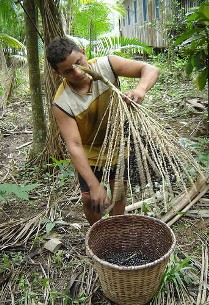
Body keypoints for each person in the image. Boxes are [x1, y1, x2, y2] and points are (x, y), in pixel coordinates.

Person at [46, 37, 159, 225]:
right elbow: (74, 145)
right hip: (89, 152)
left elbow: (150, 69)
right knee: (90, 200)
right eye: (68, 71)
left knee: (118, 193)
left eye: (79, 63)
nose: (77, 71)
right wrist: (94, 185)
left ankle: (116, 229)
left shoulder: (107, 65)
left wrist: (140, 89)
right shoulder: (62, 103)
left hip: (117, 142)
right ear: (57, 73)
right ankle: (98, 232)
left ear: (83, 53)